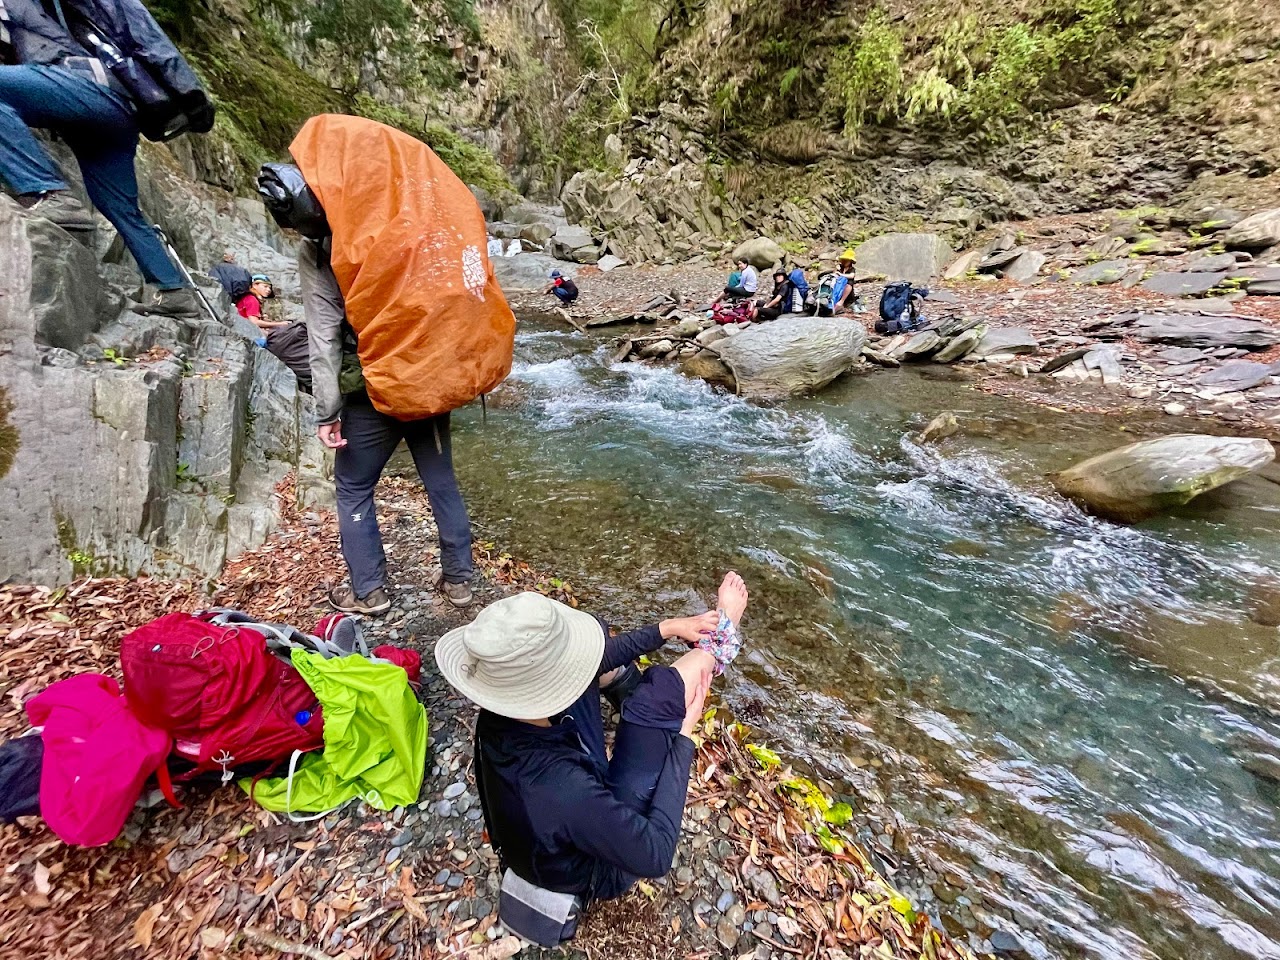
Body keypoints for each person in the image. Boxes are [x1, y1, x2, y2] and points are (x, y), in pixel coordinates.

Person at [437, 573, 750, 940]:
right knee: (658, 694)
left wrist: (666, 628)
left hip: (562, 798)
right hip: (593, 867)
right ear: (547, 683)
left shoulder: (499, 713)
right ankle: (720, 639)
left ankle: (633, 691)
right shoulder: (561, 790)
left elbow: (596, 657)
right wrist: (682, 740)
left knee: (597, 640)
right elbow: (655, 855)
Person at [0, 0, 200, 318]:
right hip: (119, 109)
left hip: (83, 90)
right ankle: (175, 292)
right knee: (122, 210)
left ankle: (48, 192)